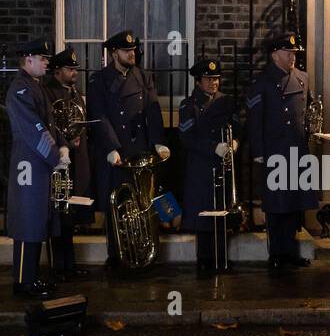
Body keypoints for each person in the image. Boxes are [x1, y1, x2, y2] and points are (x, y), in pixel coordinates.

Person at [87, 30, 170, 269]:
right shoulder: (99, 80)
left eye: (133, 50)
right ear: (114, 53)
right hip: (117, 152)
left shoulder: (143, 77)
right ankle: (118, 256)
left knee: (145, 203)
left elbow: (153, 113)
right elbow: (99, 116)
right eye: (126, 51)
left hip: (140, 149)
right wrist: (111, 147)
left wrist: (159, 141)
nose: (131, 54)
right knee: (118, 206)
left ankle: (147, 254)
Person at [246, 32, 318, 270]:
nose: (292, 57)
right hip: (275, 150)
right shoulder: (262, 82)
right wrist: (258, 150)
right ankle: (276, 253)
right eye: (288, 53)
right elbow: (255, 120)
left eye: (294, 53)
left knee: (294, 204)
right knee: (277, 206)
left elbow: (306, 113)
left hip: (297, 149)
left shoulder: (302, 78)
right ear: (275, 54)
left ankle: (290, 252)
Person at [4, 39, 69, 298]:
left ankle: (30, 278)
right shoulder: (21, 89)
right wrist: (56, 157)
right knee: (27, 220)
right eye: (42, 58)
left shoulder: (34, 87)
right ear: (28, 60)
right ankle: (23, 282)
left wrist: (62, 146)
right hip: (30, 162)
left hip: (38, 163)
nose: (46, 62)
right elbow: (34, 129)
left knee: (37, 219)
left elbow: (50, 124)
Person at [179, 57, 239, 276]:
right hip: (201, 165)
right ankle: (204, 259)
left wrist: (235, 142)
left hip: (223, 164)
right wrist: (213, 147)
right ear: (198, 81)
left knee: (221, 212)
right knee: (204, 213)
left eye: (216, 78)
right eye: (208, 79)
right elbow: (186, 138)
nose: (214, 83)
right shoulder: (189, 105)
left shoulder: (226, 101)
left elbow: (237, 127)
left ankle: (221, 258)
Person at [42, 46, 91, 281]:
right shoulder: (48, 92)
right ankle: (58, 267)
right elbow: (50, 125)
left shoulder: (75, 94)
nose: (74, 72)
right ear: (57, 70)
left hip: (75, 159)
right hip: (58, 160)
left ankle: (69, 265)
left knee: (70, 216)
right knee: (58, 215)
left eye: (75, 69)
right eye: (70, 69)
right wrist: (66, 141)